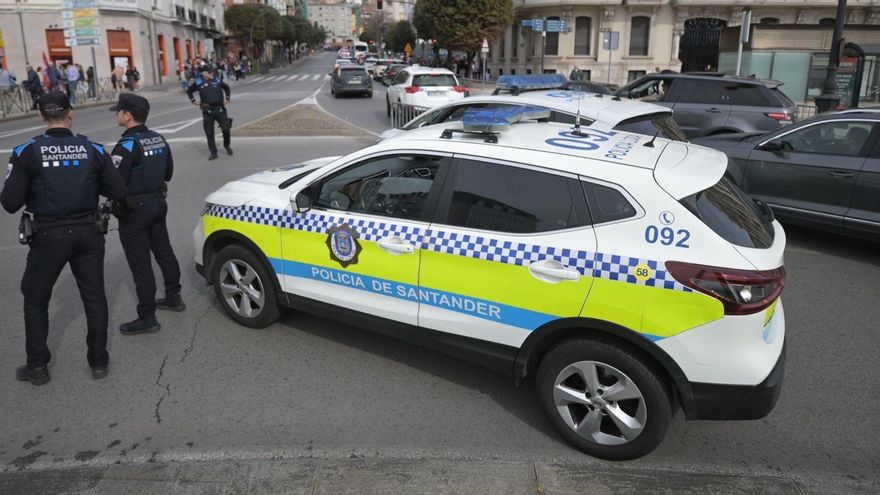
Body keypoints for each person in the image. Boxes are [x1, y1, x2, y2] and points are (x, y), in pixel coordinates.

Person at [0, 91, 128, 385]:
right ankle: (98, 361)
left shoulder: (25, 152)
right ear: (71, 113)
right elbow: (119, 191)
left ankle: (37, 367)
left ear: (41, 116)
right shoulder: (93, 148)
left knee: (35, 298)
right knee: (94, 297)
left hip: (48, 236)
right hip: (88, 232)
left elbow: (9, 203)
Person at [109, 94, 185, 335]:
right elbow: (168, 173)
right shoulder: (158, 138)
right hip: (157, 202)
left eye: (118, 110)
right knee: (164, 251)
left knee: (140, 263)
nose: (117, 114)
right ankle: (174, 296)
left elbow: (114, 183)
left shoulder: (127, 144)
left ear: (127, 115)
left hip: (135, 209)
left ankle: (147, 317)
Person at [186, 67, 232, 160]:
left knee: (226, 128)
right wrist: (193, 100)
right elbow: (189, 91)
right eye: (204, 73)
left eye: (206, 73)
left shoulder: (217, 80)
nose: (206, 75)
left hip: (220, 109)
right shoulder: (199, 82)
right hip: (207, 111)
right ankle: (213, 152)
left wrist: (227, 98)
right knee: (209, 132)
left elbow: (226, 88)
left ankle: (226, 145)